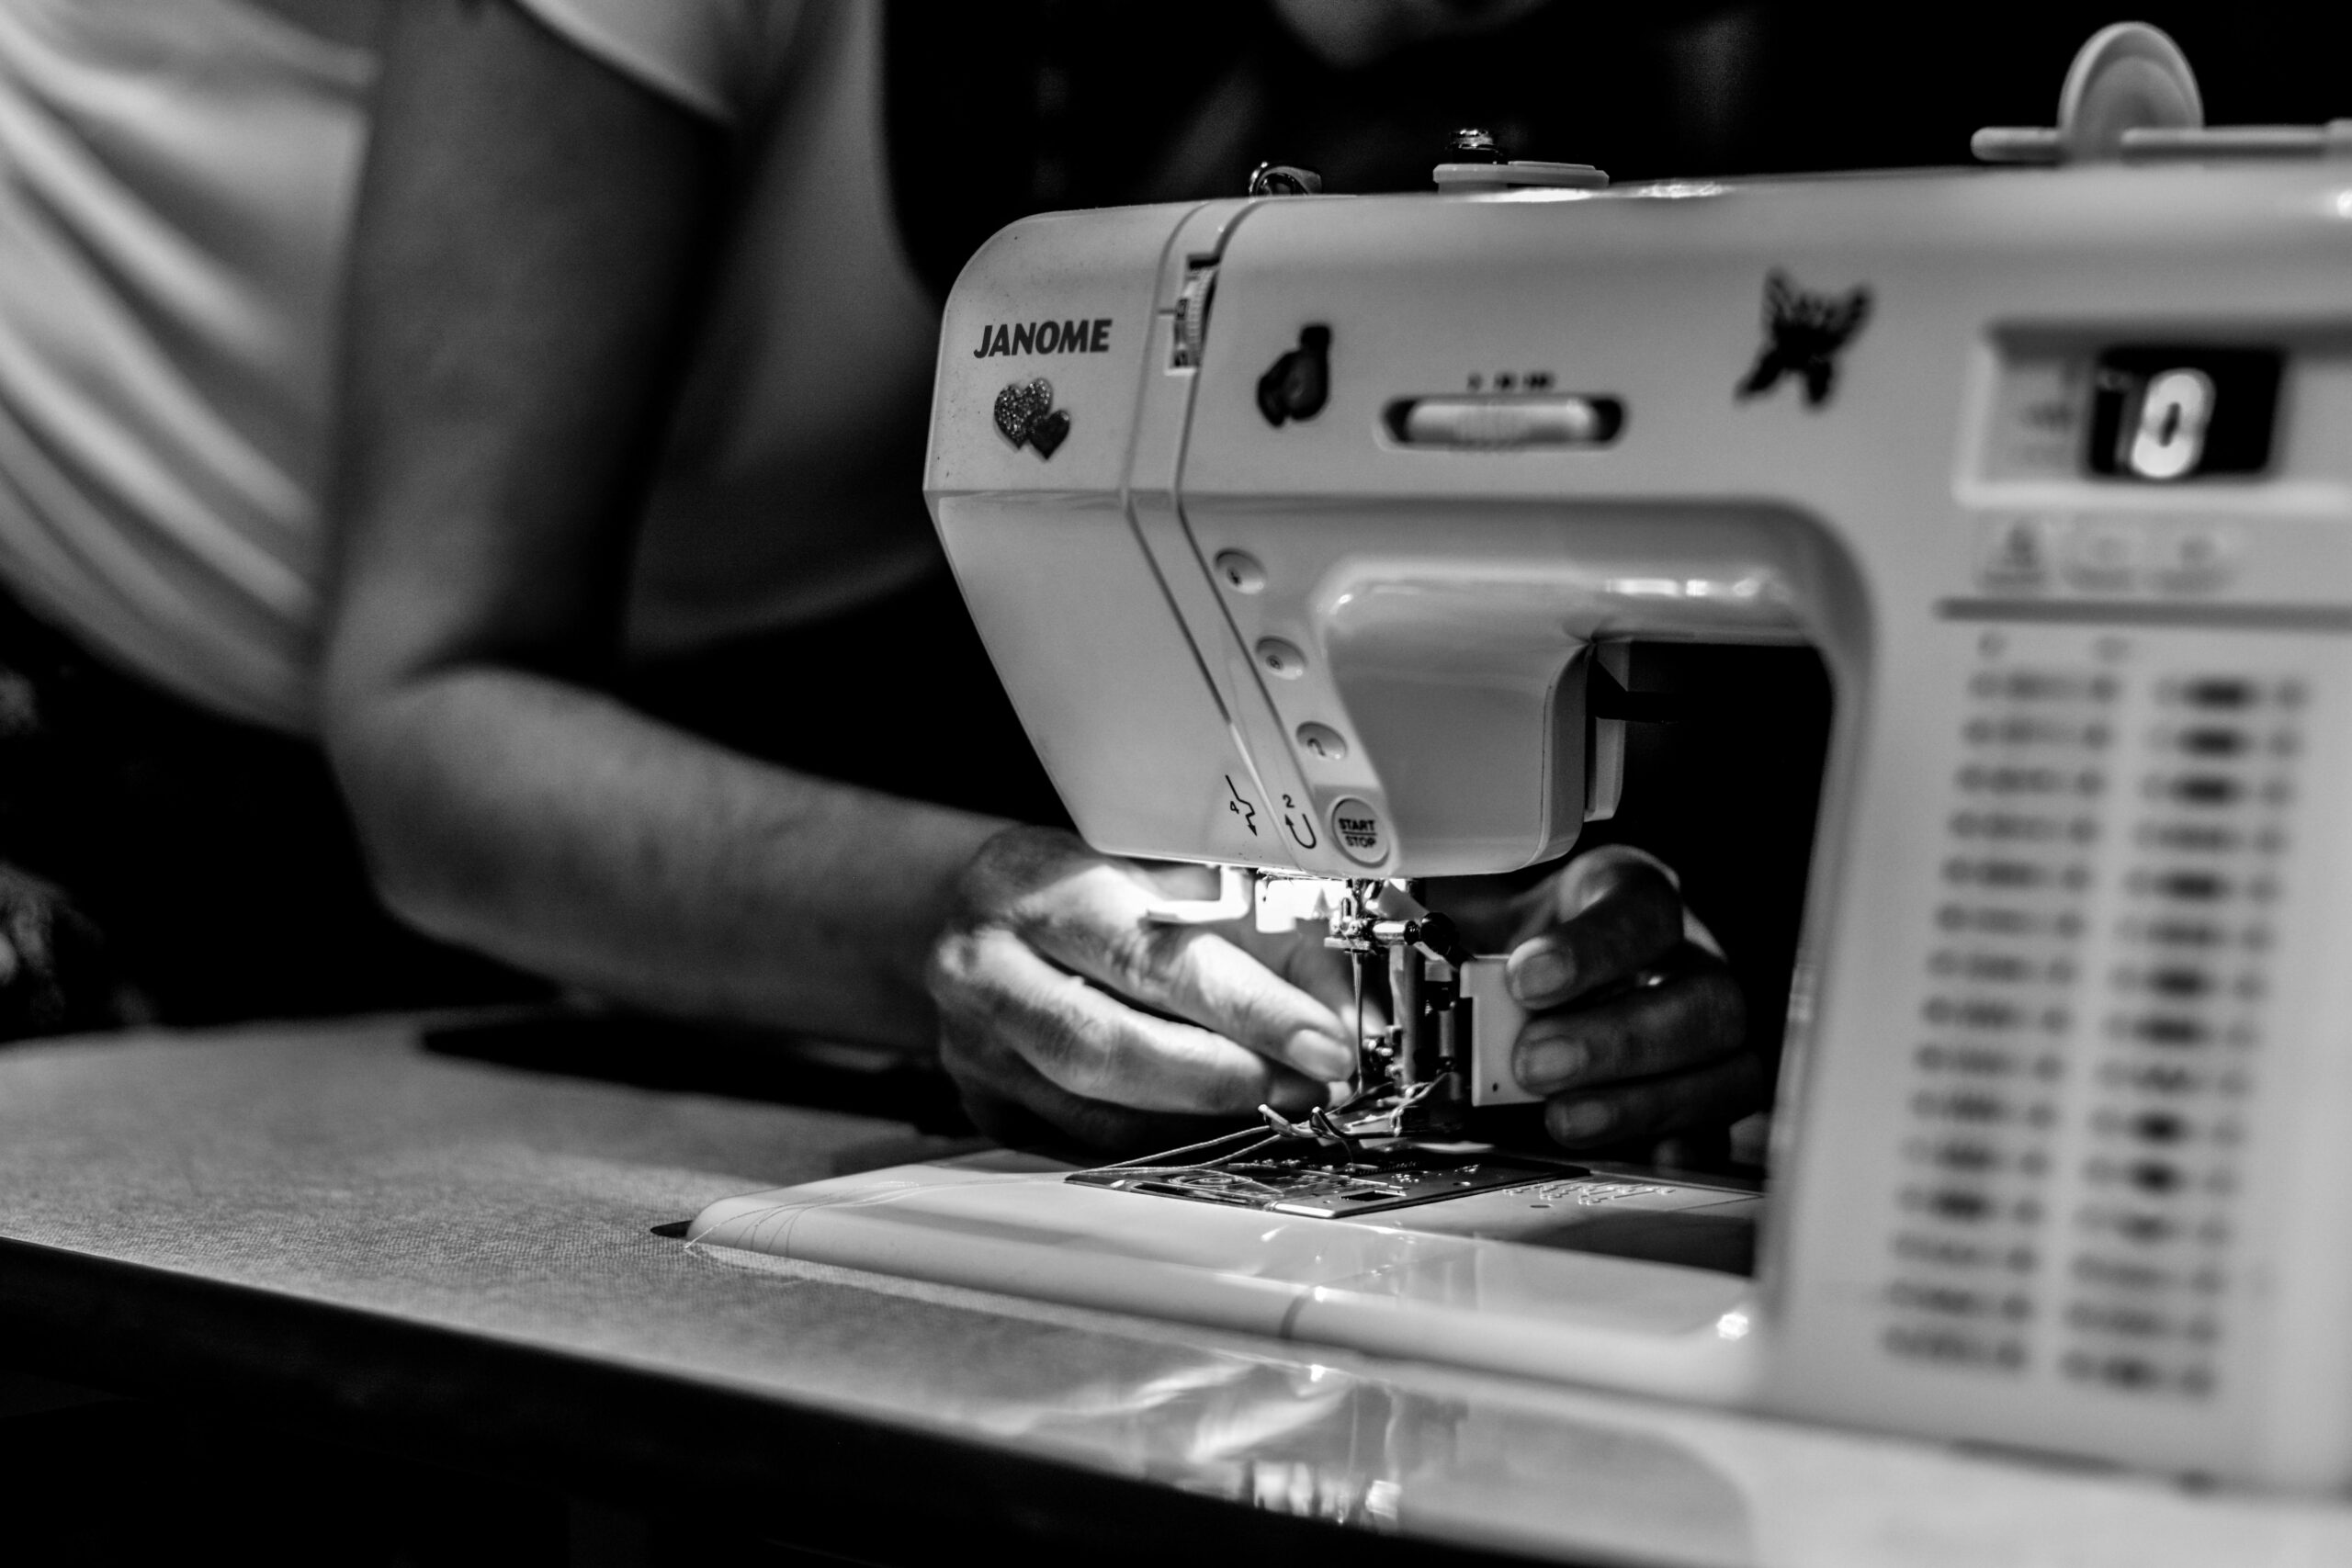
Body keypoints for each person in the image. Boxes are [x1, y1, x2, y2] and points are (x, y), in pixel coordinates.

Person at [322, 0, 1783, 1156]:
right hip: (178, 723)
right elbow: (430, 716)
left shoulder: (1582, 61)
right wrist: (941, 922)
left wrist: (1498, 915)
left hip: (792, 671)